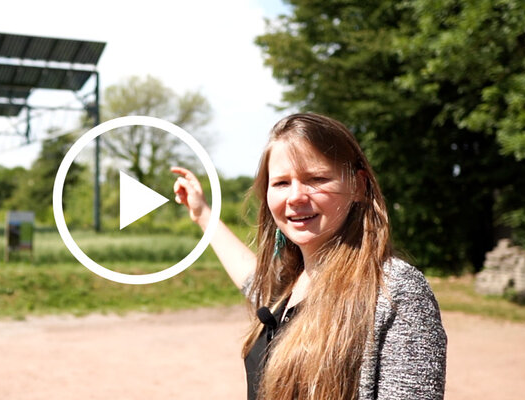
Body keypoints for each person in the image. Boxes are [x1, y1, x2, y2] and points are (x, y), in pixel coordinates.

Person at [171, 113, 446, 400]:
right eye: (281, 183)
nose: (296, 197)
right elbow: (252, 280)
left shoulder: (394, 290)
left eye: (316, 179)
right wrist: (204, 214)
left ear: (359, 186)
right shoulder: (289, 284)